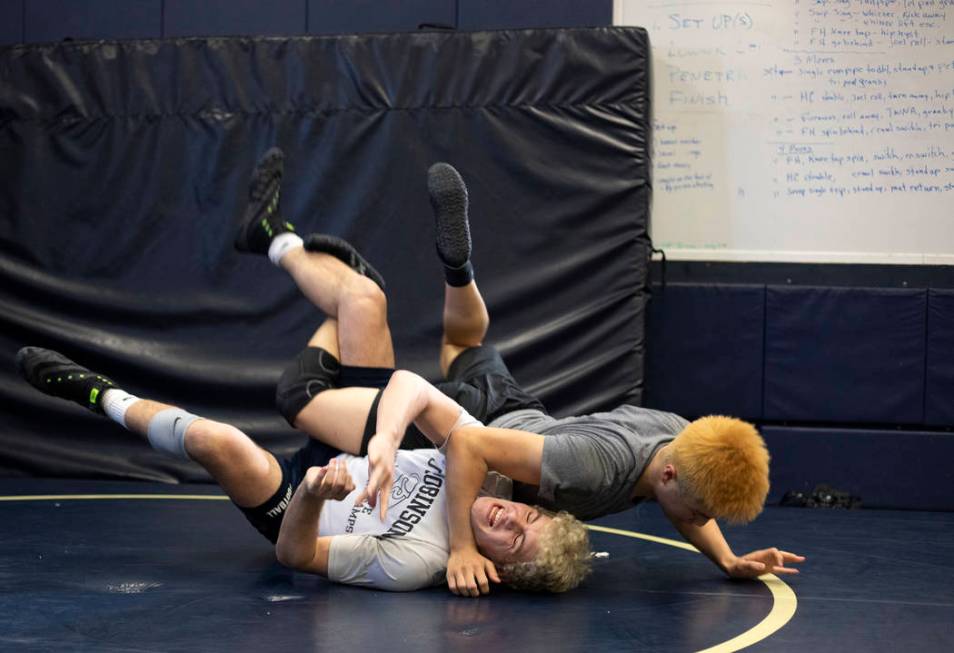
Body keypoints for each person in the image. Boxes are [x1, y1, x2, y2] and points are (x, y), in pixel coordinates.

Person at [14, 148, 591, 594]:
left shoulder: (419, 561)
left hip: (303, 501)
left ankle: (97, 394)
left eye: (514, 538)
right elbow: (412, 387)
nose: (510, 515)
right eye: (528, 515)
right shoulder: (487, 471)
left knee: (223, 442)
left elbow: (296, 555)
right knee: (363, 301)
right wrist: (388, 442)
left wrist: (313, 493)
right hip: (361, 438)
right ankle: (274, 238)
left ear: (496, 571)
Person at [351, 162, 806, 597]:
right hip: (481, 421)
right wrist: (463, 548)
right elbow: (472, 444)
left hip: (520, 411)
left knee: (462, 347)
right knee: (311, 402)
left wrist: (726, 559)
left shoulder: (682, 438)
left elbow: (683, 501)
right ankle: (351, 293)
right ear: (668, 475)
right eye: (700, 511)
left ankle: (458, 269)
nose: (700, 519)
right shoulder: (594, 470)